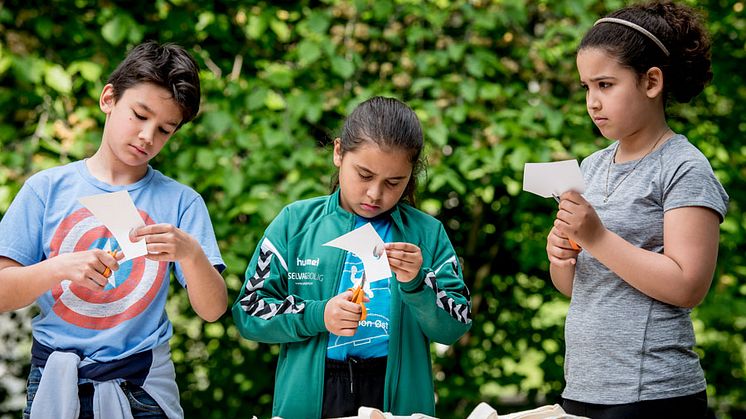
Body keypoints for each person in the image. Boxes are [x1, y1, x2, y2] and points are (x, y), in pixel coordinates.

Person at [0, 41, 227, 418]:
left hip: (144, 388)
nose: (146, 137)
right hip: (54, 382)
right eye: (139, 115)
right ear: (109, 98)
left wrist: (190, 253)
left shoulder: (182, 203)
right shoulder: (46, 189)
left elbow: (213, 310)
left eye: (164, 130)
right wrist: (60, 268)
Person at [232, 96, 472, 418]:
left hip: (395, 396)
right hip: (312, 397)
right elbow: (248, 313)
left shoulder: (426, 234)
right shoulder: (295, 224)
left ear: (410, 176)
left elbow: (454, 327)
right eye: (364, 175)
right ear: (338, 153)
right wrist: (320, 315)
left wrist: (418, 282)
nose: (375, 193)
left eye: (393, 182)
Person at [546, 1, 729, 418]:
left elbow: (688, 286)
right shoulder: (590, 167)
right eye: (586, 87)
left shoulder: (683, 167)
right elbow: (580, 288)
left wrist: (597, 238)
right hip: (585, 385)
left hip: (654, 394)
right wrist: (562, 257)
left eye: (605, 85)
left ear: (651, 82)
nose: (592, 102)